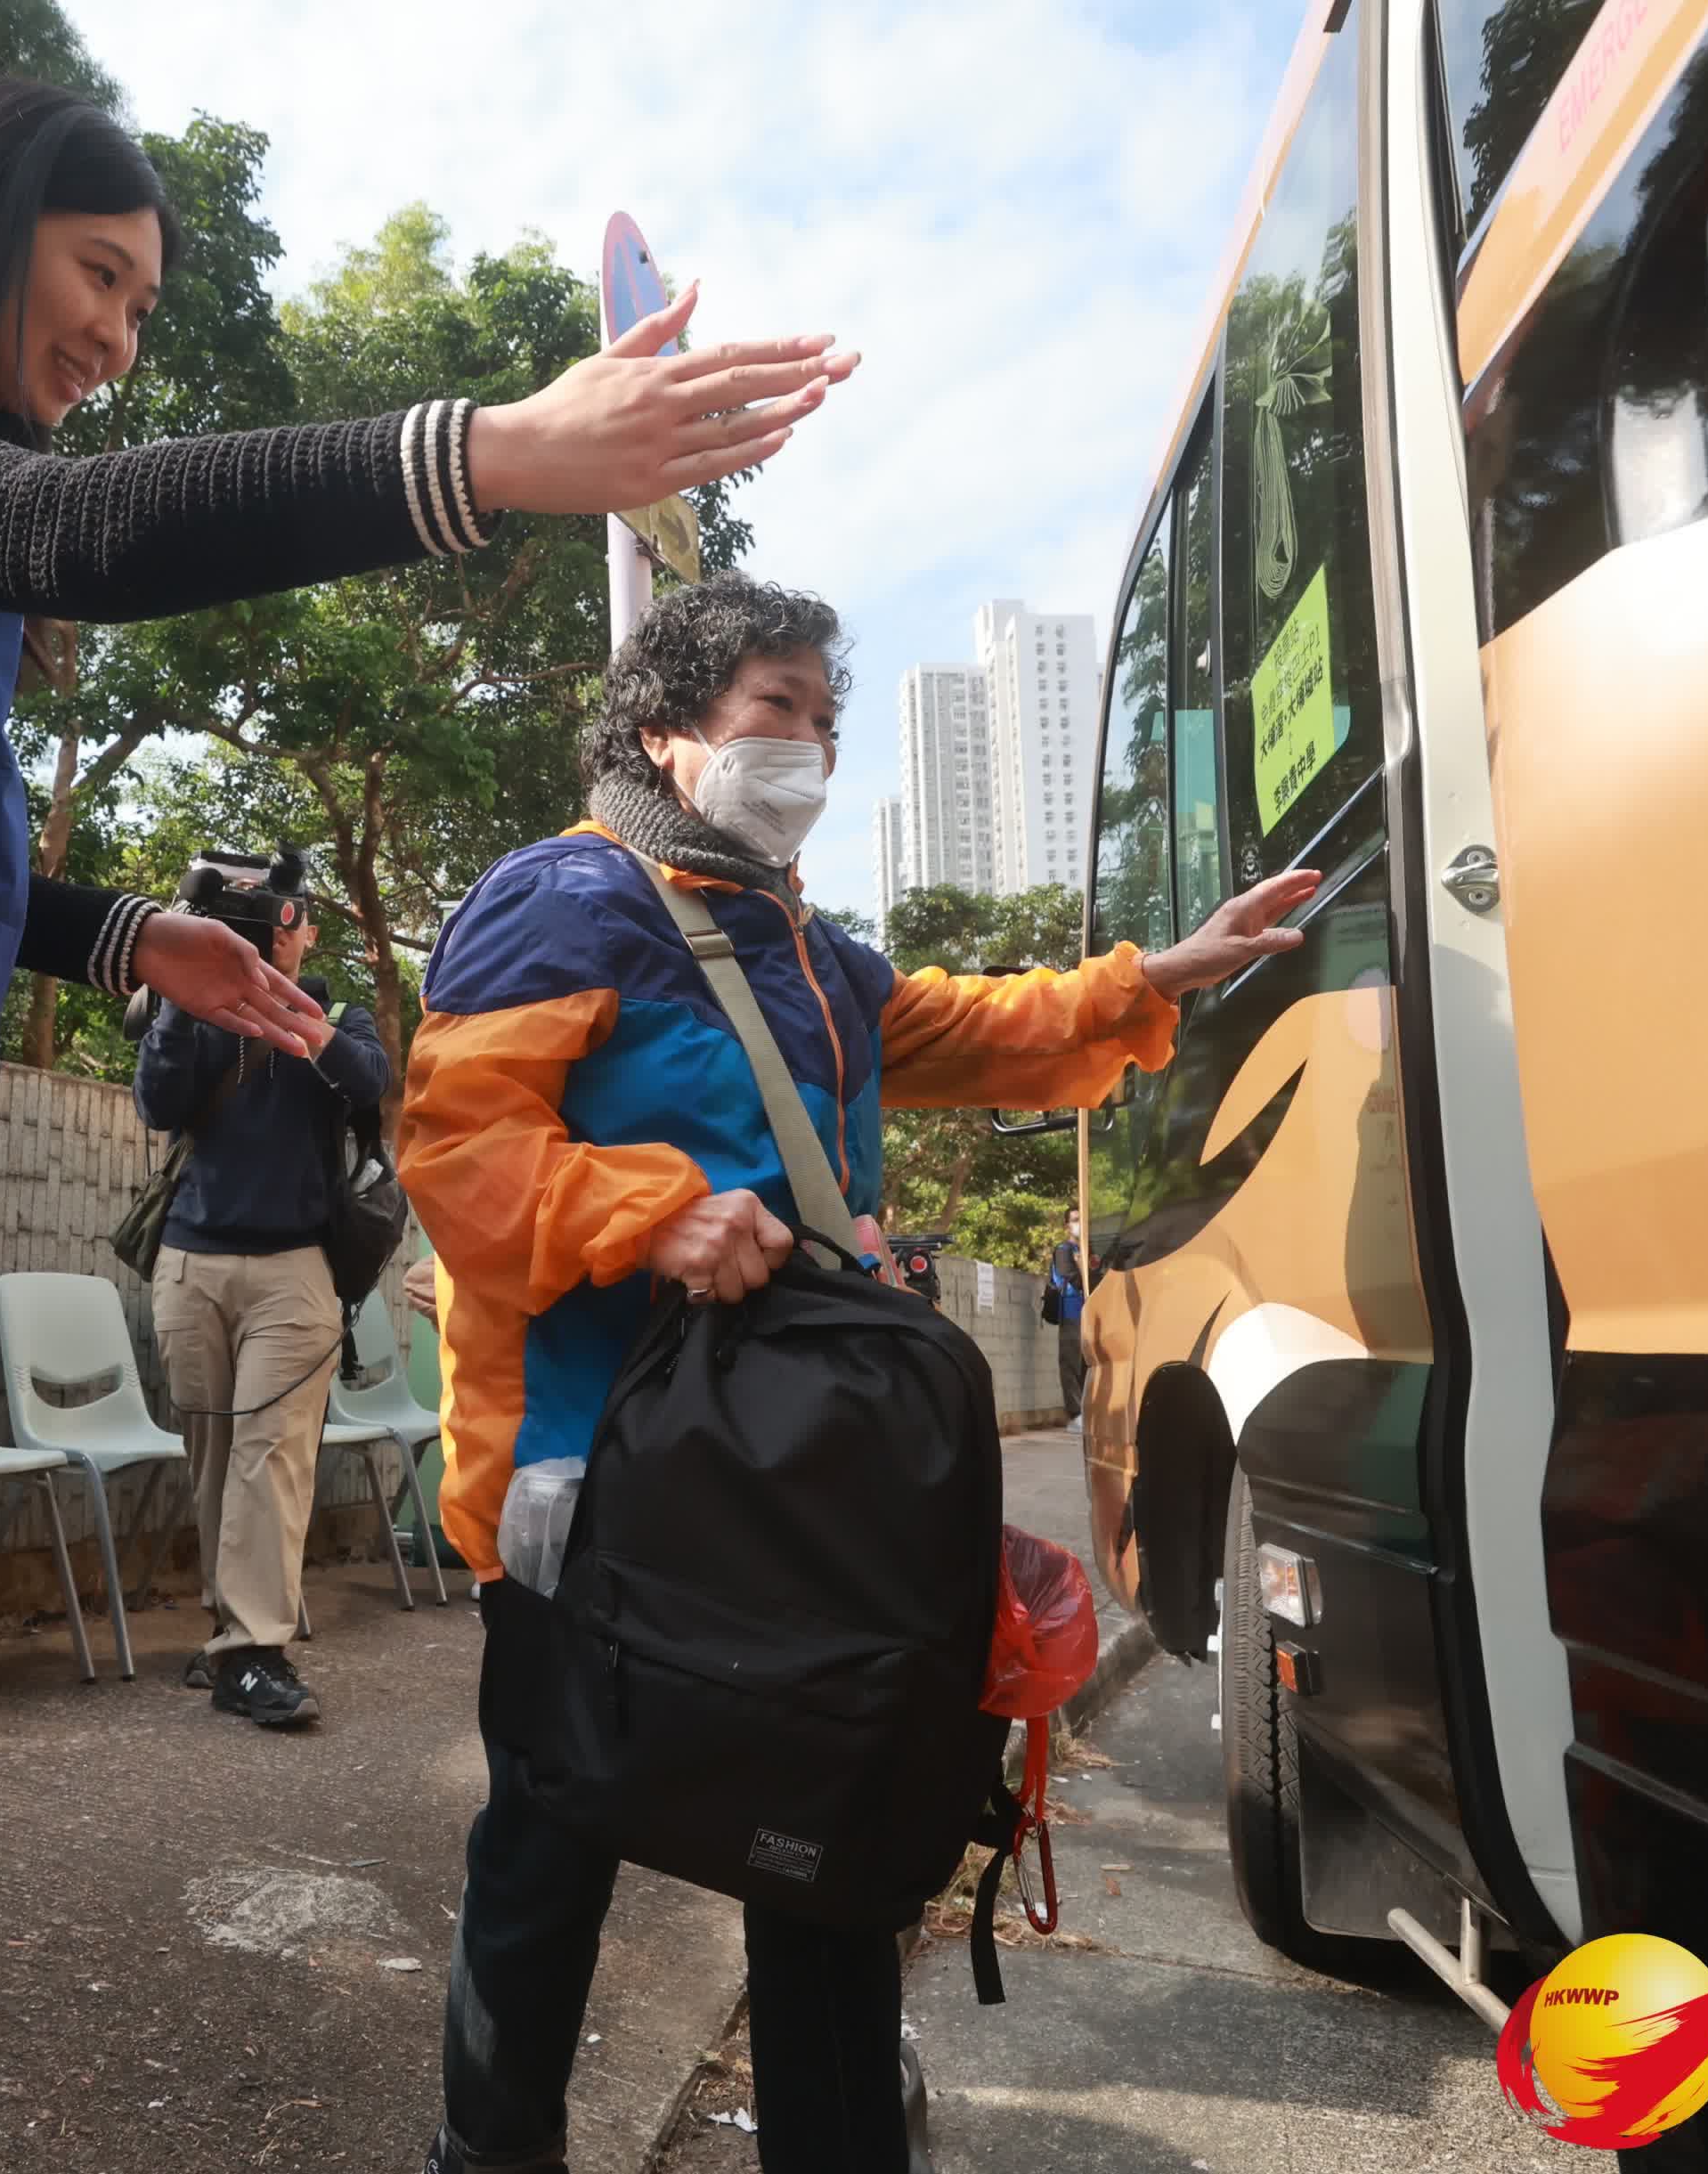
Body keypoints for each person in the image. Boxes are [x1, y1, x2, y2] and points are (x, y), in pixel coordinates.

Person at [0, 77, 853, 2174]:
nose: (120, 333)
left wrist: (127, 935)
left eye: (143, 297)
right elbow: (67, 533)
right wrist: (490, 455)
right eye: (100, 274)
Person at [399, 574, 1316, 2174]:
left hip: (791, 1475)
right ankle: (491, 2152)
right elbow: (458, 1145)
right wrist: (655, 1210)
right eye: (776, 708)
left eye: (826, 718)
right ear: (665, 727)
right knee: (549, 1838)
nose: (811, 744)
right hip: (589, 1465)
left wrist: (1149, 981)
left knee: (814, 1836)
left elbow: (976, 1025)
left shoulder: (812, 949)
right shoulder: (562, 897)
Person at [136, 874, 390, 1729]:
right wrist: (182, 994)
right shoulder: (196, 1012)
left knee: (270, 1455)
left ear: (302, 934)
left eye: (284, 919)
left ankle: (254, 1651)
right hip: (192, 1265)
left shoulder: (337, 1015)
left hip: (295, 1270)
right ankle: (226, 1636)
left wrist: (293, 1014)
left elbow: (367, 1083)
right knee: (213, 1455)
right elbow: (157, 1102)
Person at [1042, 1210, 1087, 1424]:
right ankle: (1075, 1412)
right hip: (1071, 1311)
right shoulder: (1064, 1250)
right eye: (1075, 1220)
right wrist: (1081, 1268)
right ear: (1067, 1226)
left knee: (1087, 1363)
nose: (1080, 1224)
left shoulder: (1086, 1250)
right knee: (1071, 1362)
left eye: (1082, 1220)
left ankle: (1086, 1410)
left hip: (1090, 1312)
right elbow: (1073, 1277)